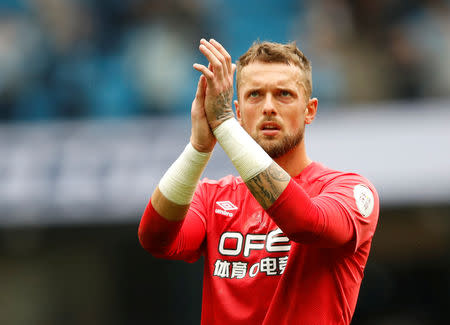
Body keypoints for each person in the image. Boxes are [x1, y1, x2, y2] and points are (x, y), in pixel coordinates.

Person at [138, 38, 379, 324]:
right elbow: (155, 239)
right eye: (255, 95)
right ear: (239, 112)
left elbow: (306, 222)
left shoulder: (349, 190)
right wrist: (198, 148)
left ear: (310, 110)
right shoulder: (212, 197)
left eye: (284, 94)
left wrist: (224, 126)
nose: (268, 107)